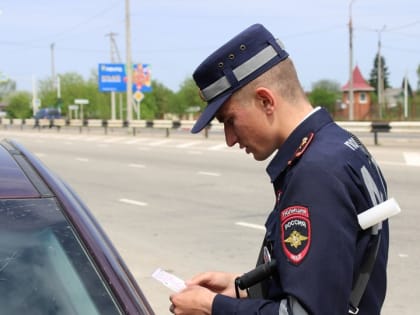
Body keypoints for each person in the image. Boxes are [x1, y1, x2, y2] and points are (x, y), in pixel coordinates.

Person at [169, 23, 389, 315]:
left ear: (265, 101)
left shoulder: (315, 172)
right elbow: (329, 277)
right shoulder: (340, 145)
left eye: (229, 120)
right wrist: (241, 289)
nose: (230, 139)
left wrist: (214, 307)